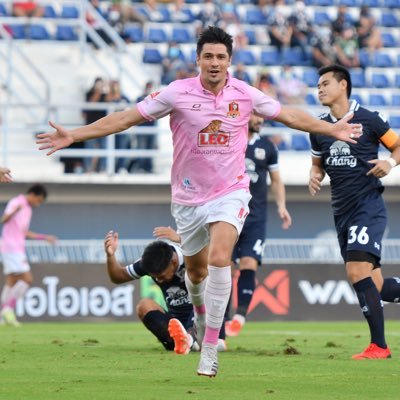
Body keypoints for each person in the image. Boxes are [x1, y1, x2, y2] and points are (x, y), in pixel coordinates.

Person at [37, 26, 362, 377]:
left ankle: (209, 346)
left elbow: (289, 115)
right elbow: (125, 118)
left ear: (229, 61)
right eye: (208, 56)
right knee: (195, 273)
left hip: (231, 192)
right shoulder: (177, 93)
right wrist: (76, 134)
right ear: (198, 59)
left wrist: (331, 129)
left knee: (221, 258)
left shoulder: (245, 94)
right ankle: (201, 314)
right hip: (188, 198)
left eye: (221, 57)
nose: (214, 62)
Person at [309, 64, 400, 359]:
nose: (319, 89)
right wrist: (315, 174)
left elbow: (398, 147)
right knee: (377, 287)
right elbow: (318, 162)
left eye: (325, 83)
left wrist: (390, 162)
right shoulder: (319, 128)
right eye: (318, 85)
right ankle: (379, 344)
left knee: (356, 270)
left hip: (367, 205)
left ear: (343, 85)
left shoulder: (369, 119)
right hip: (341, 212)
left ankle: (379, 346)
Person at [104, 229, 226, 354]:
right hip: (177, 323)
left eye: (161, 276)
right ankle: (182, 342)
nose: (158, 280)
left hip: (205, 316)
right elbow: (118, 276)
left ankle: (195, 340)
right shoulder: (149, 262)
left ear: (174, 262)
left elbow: (216, 252)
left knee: (209, 295)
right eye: (155, 277)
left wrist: (181, 239)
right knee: (144, 306)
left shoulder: (191, 258)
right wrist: (110, 255)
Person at [225, 114, 292, 337]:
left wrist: (281, 206)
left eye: (261, 115)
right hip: (229, 214)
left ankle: (239, 316)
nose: (259, 119)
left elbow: (276, 180)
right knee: (223, 266)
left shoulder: (267, 147)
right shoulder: (229, 141)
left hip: (255, 218)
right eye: (255, 114)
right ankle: (221, 321)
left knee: (248, 263)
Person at [0, 184, 57, 326]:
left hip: (17, 247)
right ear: (33, 195)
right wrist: (14, 211)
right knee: (27, 279)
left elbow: (24, 232)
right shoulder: (16, 202)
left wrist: (45, 237)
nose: (38, 204)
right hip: (11, 247)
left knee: (12, 280)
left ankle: (2, 316)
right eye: (38, 200)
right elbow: (4, 220)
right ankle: (8, 309)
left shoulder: (28, 209)